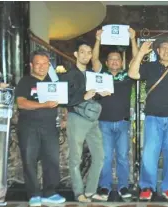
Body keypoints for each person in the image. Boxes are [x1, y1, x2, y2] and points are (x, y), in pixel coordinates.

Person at [128, 38, 168, 200]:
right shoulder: (149, 67)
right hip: (153, 117)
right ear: (157, 51)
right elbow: (132, 73)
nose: (167, 50)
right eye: (163, 47)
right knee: (150, 153)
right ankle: (147, 187)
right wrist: (141, 52)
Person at [15, 50, 66, 207]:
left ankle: (50, 193)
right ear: (32, 65)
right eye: (38, 63)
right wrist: (44, 105)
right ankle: (34, 194)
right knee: (29, 160)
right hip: (28, 127)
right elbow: (21, 103)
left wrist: (65, 117)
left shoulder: (54, 82)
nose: (42, 66)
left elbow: (63, 103)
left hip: (49, 127)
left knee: (52, 160)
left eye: (45, 63)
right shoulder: (25, 81)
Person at [92, 28, 138, 200]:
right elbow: (94, 59)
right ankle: (104, 187)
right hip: (103, 123)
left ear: (121, 62)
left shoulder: (128, 75)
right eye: (111, 59)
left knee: (123, 157)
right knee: (104, 157)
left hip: (123, 122)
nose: (114, 62)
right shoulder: (101, 75)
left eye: (117, 59)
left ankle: (123, 187)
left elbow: (136, 60)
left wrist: (133, 39)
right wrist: (97, 40)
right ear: (107, 62)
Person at [59, 40, 105, 202]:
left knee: (100, 156)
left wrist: (101, 93)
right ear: (76, 54)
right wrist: (83, 97)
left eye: (89, 52)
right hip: (77, 118)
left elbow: (93, 95)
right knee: (75, 158)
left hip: (92, 119)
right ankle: (79, 193)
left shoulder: (92, 74)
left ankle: (91, 191)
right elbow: (63, 99)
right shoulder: (69, 75)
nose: (86, 55)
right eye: (82, 52)